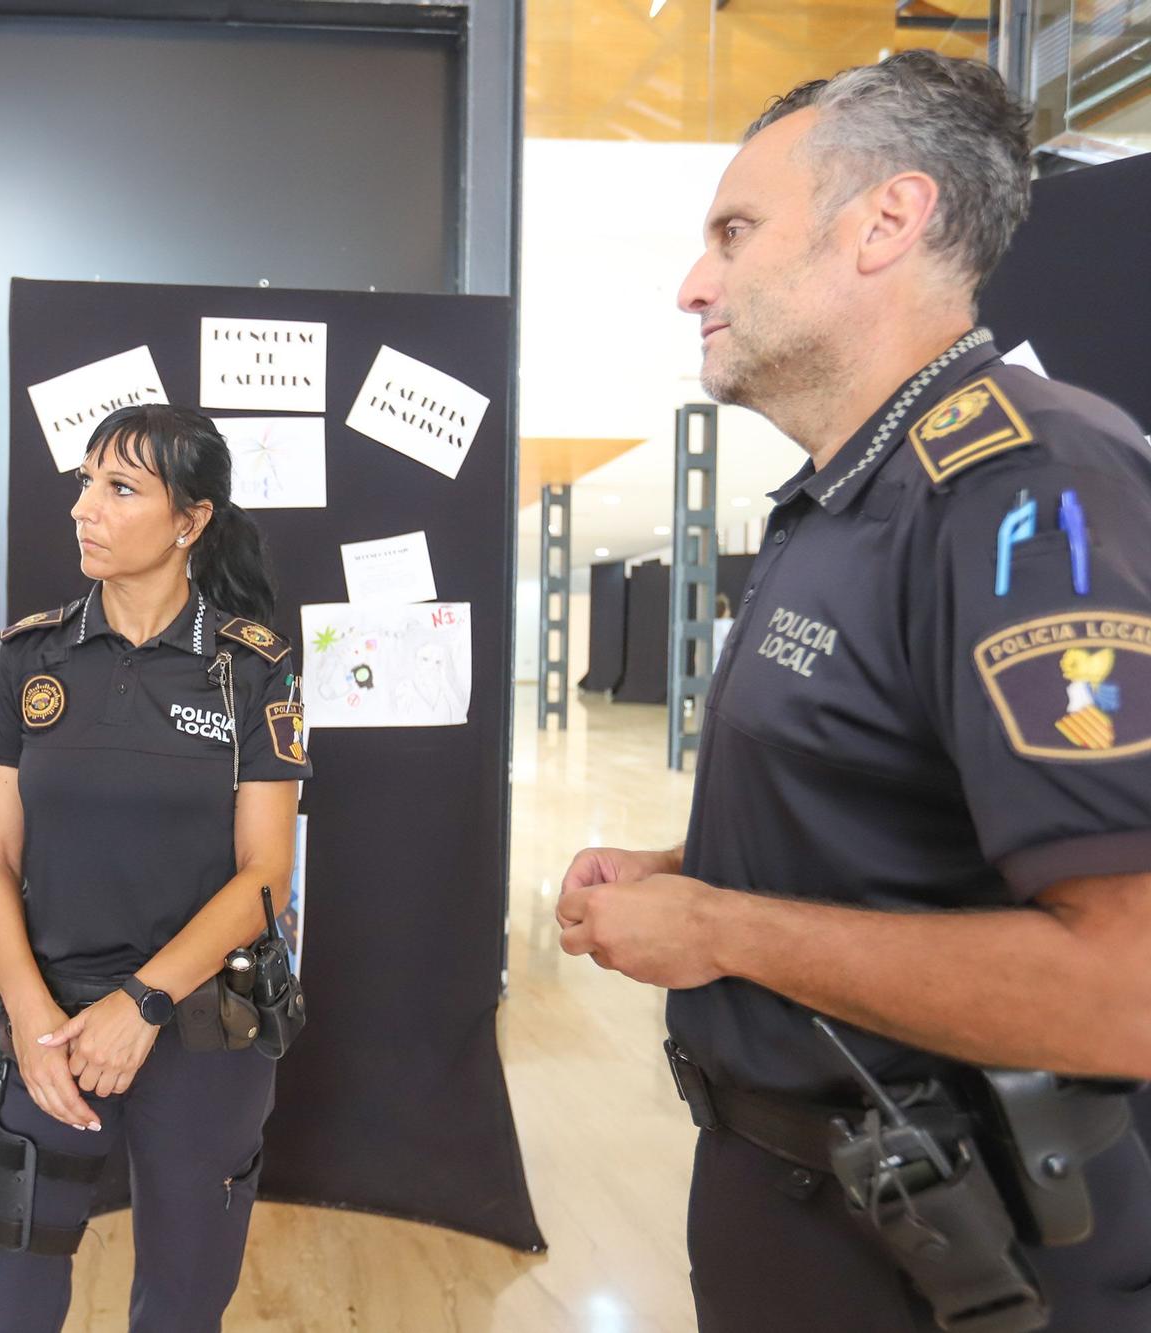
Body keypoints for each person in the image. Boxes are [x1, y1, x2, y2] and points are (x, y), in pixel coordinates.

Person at [555, 52, 1151, 1331]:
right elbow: (906, 818)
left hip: (947, 1239)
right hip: (801, 1204)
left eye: (733, 231)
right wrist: (683, 864)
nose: (692, 282)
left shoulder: (1018, 492)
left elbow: (1124, 982)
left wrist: (719, 928)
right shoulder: (843, 497)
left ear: (887, 220)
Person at [0, 404, 311, 1332]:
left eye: (120, 488)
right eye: (84, 483)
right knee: (4, 1302)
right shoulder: (28, 657)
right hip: (48, 1026)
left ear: (190, 521)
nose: (86, 508)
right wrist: (33, 1013)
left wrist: (143, 1003)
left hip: (197, 1030)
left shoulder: (251, 671)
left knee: (183, 1304)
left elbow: (266, 873)